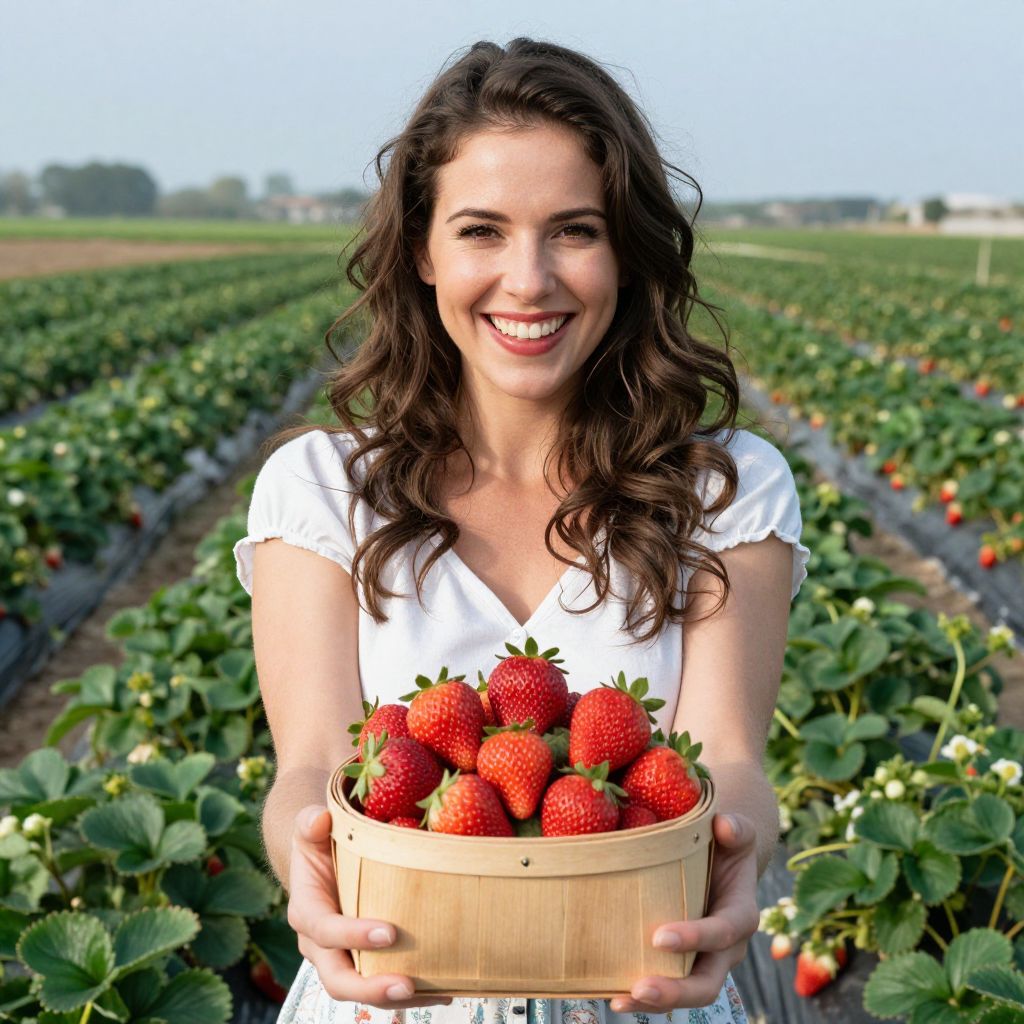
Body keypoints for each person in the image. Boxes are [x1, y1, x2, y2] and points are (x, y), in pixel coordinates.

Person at [232, 36, 809, 1024]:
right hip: (390, 988)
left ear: (625, 248)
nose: (529, 278)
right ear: (422, 249)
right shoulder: (324, 487)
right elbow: (311, 772)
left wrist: (733, 856)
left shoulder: (723, 488)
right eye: (482, 231)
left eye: (574, 230)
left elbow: (727, 759)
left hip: (638, 985)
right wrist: (311, 873)